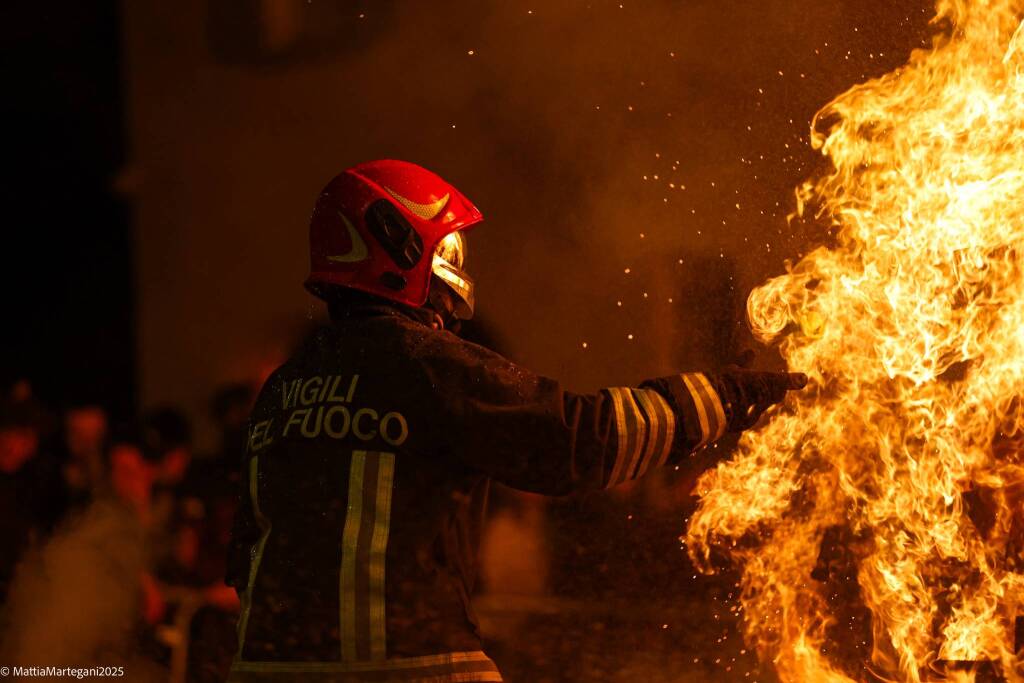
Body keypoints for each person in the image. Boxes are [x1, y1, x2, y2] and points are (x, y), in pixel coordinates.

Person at [225, 160, 807, 682]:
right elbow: (577, 441)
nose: (455, 264)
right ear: (397, 246)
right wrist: (719, 399)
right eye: (446, 248)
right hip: (407, 668)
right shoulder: (424, 366)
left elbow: (247, 547)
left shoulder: (286, 388)